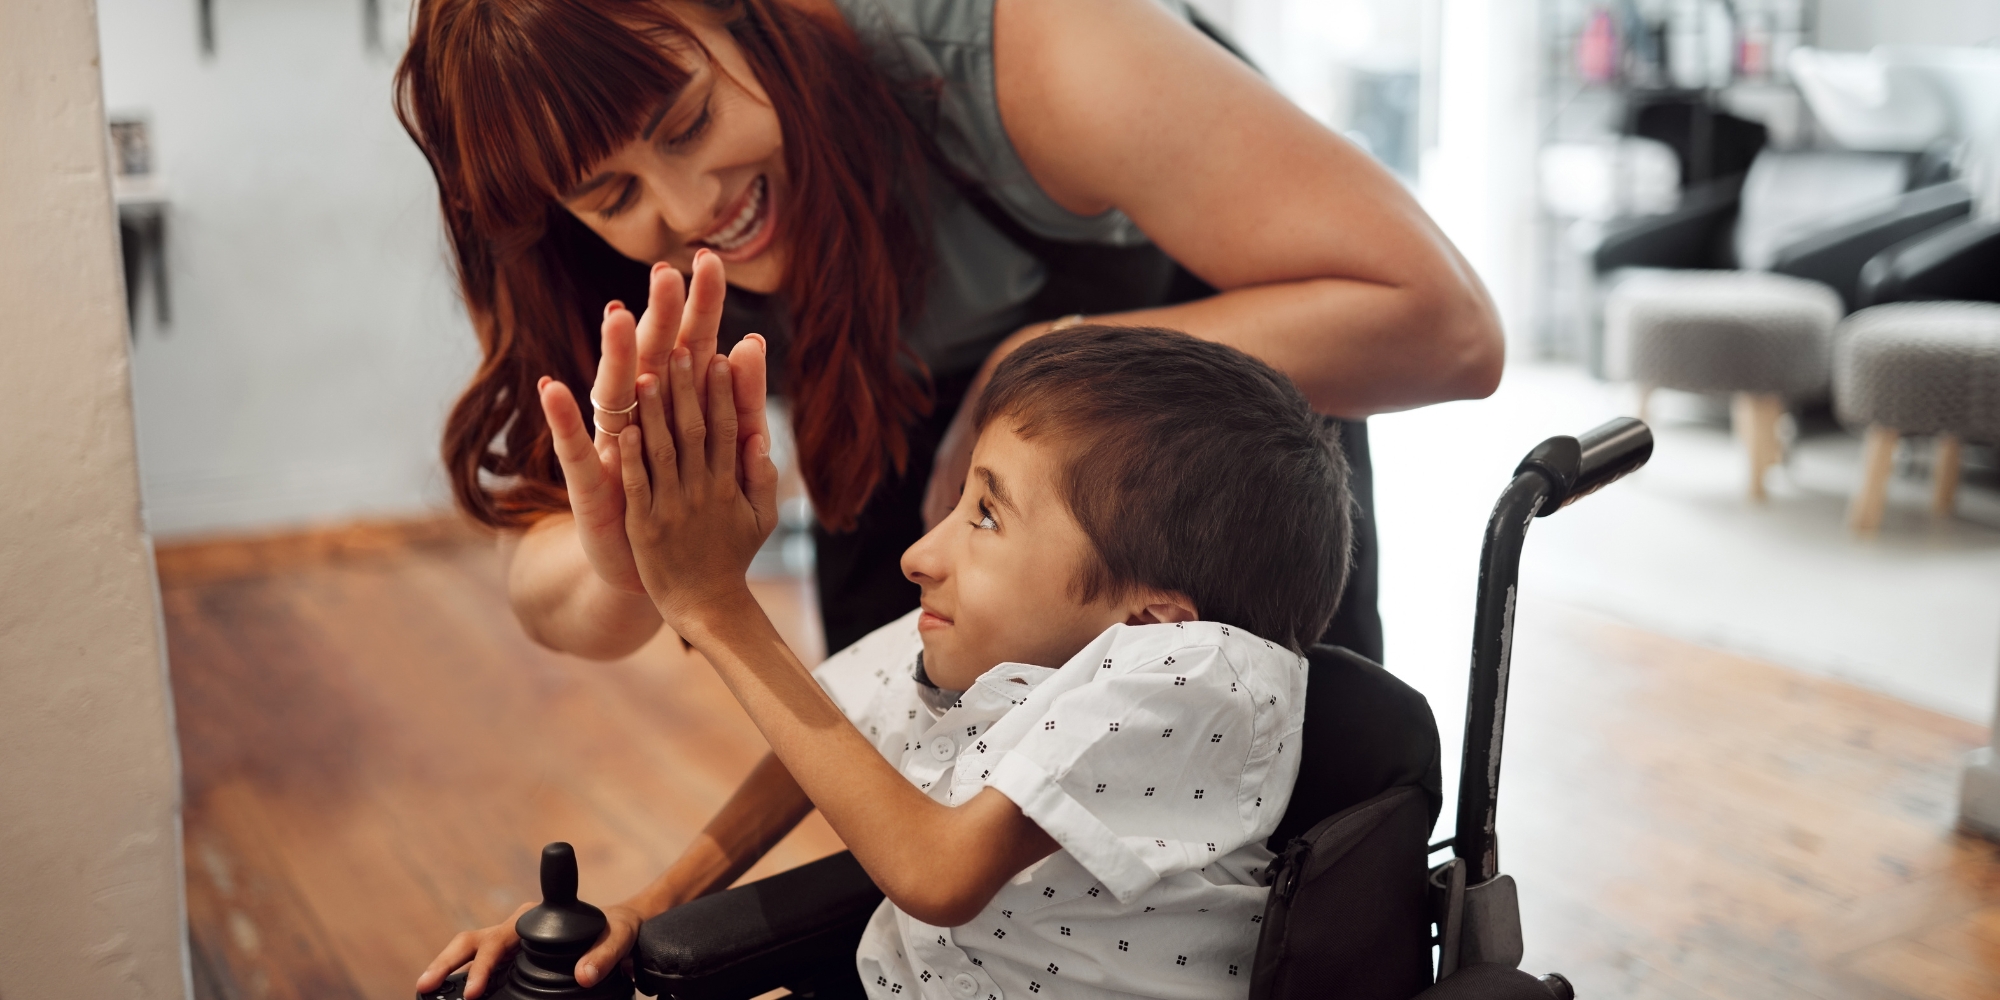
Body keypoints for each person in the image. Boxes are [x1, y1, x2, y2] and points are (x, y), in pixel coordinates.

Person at [392, 0, 1503, 666]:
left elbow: (1447, 327)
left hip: (1196, 404)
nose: (687, 215)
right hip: (900, 405)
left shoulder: (1027, 44)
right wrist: (628, 556)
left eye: (688, 122)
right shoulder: (575, 250)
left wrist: (1036, 369)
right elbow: (552, 590)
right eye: (610, 194)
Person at [418, 323, 1354, 998]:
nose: (920, 555)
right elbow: (814, 732)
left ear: (1150, 617)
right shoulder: (997, 646)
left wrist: (716, 605)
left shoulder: (1200, 676)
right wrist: (646, 908)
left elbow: (937, 877)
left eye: (985, 515)